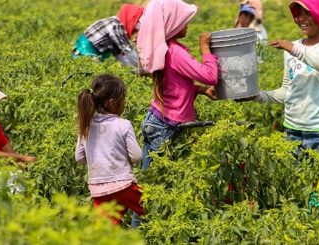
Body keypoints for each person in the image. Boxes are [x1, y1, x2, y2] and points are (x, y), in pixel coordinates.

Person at [136, 0, 218, 171]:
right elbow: (210, 76)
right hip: (165, 125)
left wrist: (201, 90)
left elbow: (174, 86)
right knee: (158, 178)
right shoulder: (175, 53)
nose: (187, 24)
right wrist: (205, 49)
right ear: (172, 24)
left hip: (158, 121)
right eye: (183, 21)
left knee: (151, 177)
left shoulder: (165, 48)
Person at [251, 0, 319, 151]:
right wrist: (257, 96)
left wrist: (295, 50)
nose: (301, 18)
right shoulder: (292, 48)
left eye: (308, 13)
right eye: (299, 13)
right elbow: (286, 92)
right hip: (292, 131)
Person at [75, 74, 145, 225]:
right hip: (124, 186)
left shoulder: (85, 124)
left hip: (98, 191)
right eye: (123, 100)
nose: (124, 104)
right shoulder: (123, 124)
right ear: (112, 103)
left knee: (105, 233)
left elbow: (79, 158)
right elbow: (137, 156)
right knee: (157, 208)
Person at [72, 4, 144, 73]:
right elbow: (127, 51)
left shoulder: (116, 23)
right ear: (132, 19)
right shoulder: (117, 26)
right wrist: (143, 67)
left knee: (88, 73)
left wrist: (131, 70)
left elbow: (120, 55)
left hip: (88, 47)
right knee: (88, 73)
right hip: (87, 49)